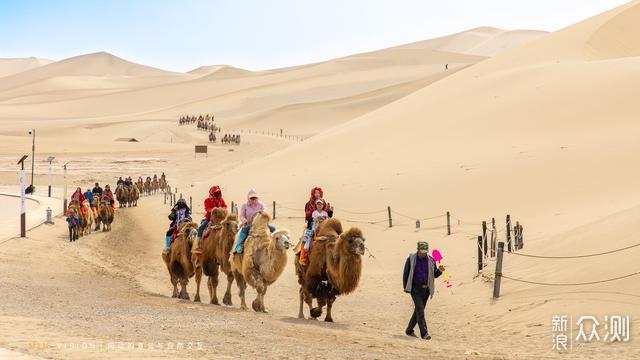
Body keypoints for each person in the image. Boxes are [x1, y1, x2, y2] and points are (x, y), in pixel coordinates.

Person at [403, 241, 444, 340]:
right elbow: (406, 274)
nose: (423, 253)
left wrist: (440, 271)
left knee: (418, 311)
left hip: (426, 290)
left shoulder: (431, 260)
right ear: (418, 250)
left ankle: (409, 330)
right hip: (415, 289)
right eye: (422, 251)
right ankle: (424, 333)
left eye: (425, 251)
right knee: (420, 311)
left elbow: (434, 275)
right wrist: (406, 288)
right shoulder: (411, 259)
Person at [234, 189, 275, 254]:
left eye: (255, 198)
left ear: (257, 197)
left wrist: (262, 212)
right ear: (248, 198)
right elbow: (241, 216)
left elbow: (265, 210)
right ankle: (238, 245)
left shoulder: (261, 204)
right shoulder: (245, 205)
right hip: (250, 224)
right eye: (252, 198)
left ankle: (278, 243)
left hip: (261, 224)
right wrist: (244, 220)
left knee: (274, 229)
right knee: (244, 229)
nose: (253, 200)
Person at [193, 185, 227, 254]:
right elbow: (207, 208)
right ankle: (198, 244)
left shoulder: (221, 200)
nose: (217, 194)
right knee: (201, 227)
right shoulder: (207, 200)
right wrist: (214, 210)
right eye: (216, 193)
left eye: (218, 192)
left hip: (221, 218)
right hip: (210, 218)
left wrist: (222, 209)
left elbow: (225, 206)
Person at [299, 198, 329, 265]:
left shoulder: (325, 213)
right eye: (318, 204)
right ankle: (303, 257)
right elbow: (313, 221)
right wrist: (316, 219)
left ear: (323, 205)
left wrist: (323, 220)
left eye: (320, 204)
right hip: (315, 228)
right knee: (307, 239)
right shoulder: (314, 213)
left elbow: (327, 221)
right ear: (316, 205)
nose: (319, 205)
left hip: (324, 228)